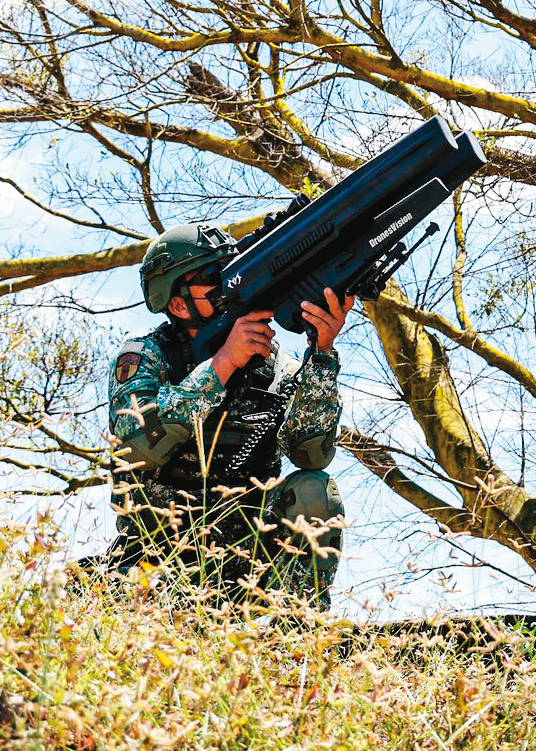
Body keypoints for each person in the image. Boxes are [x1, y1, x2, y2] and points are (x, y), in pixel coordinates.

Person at [106, 222, 356, 605]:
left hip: (248, 553)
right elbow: (138, 444)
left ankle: (293, 636)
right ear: (177, 303)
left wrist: (321, 352)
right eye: (212, 277)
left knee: (314, 489)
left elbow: (313, 454)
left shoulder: (274, 367)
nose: (229, 284)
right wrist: (221, 365)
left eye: (231, 269)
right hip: (158, 553)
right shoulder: (146, 356)